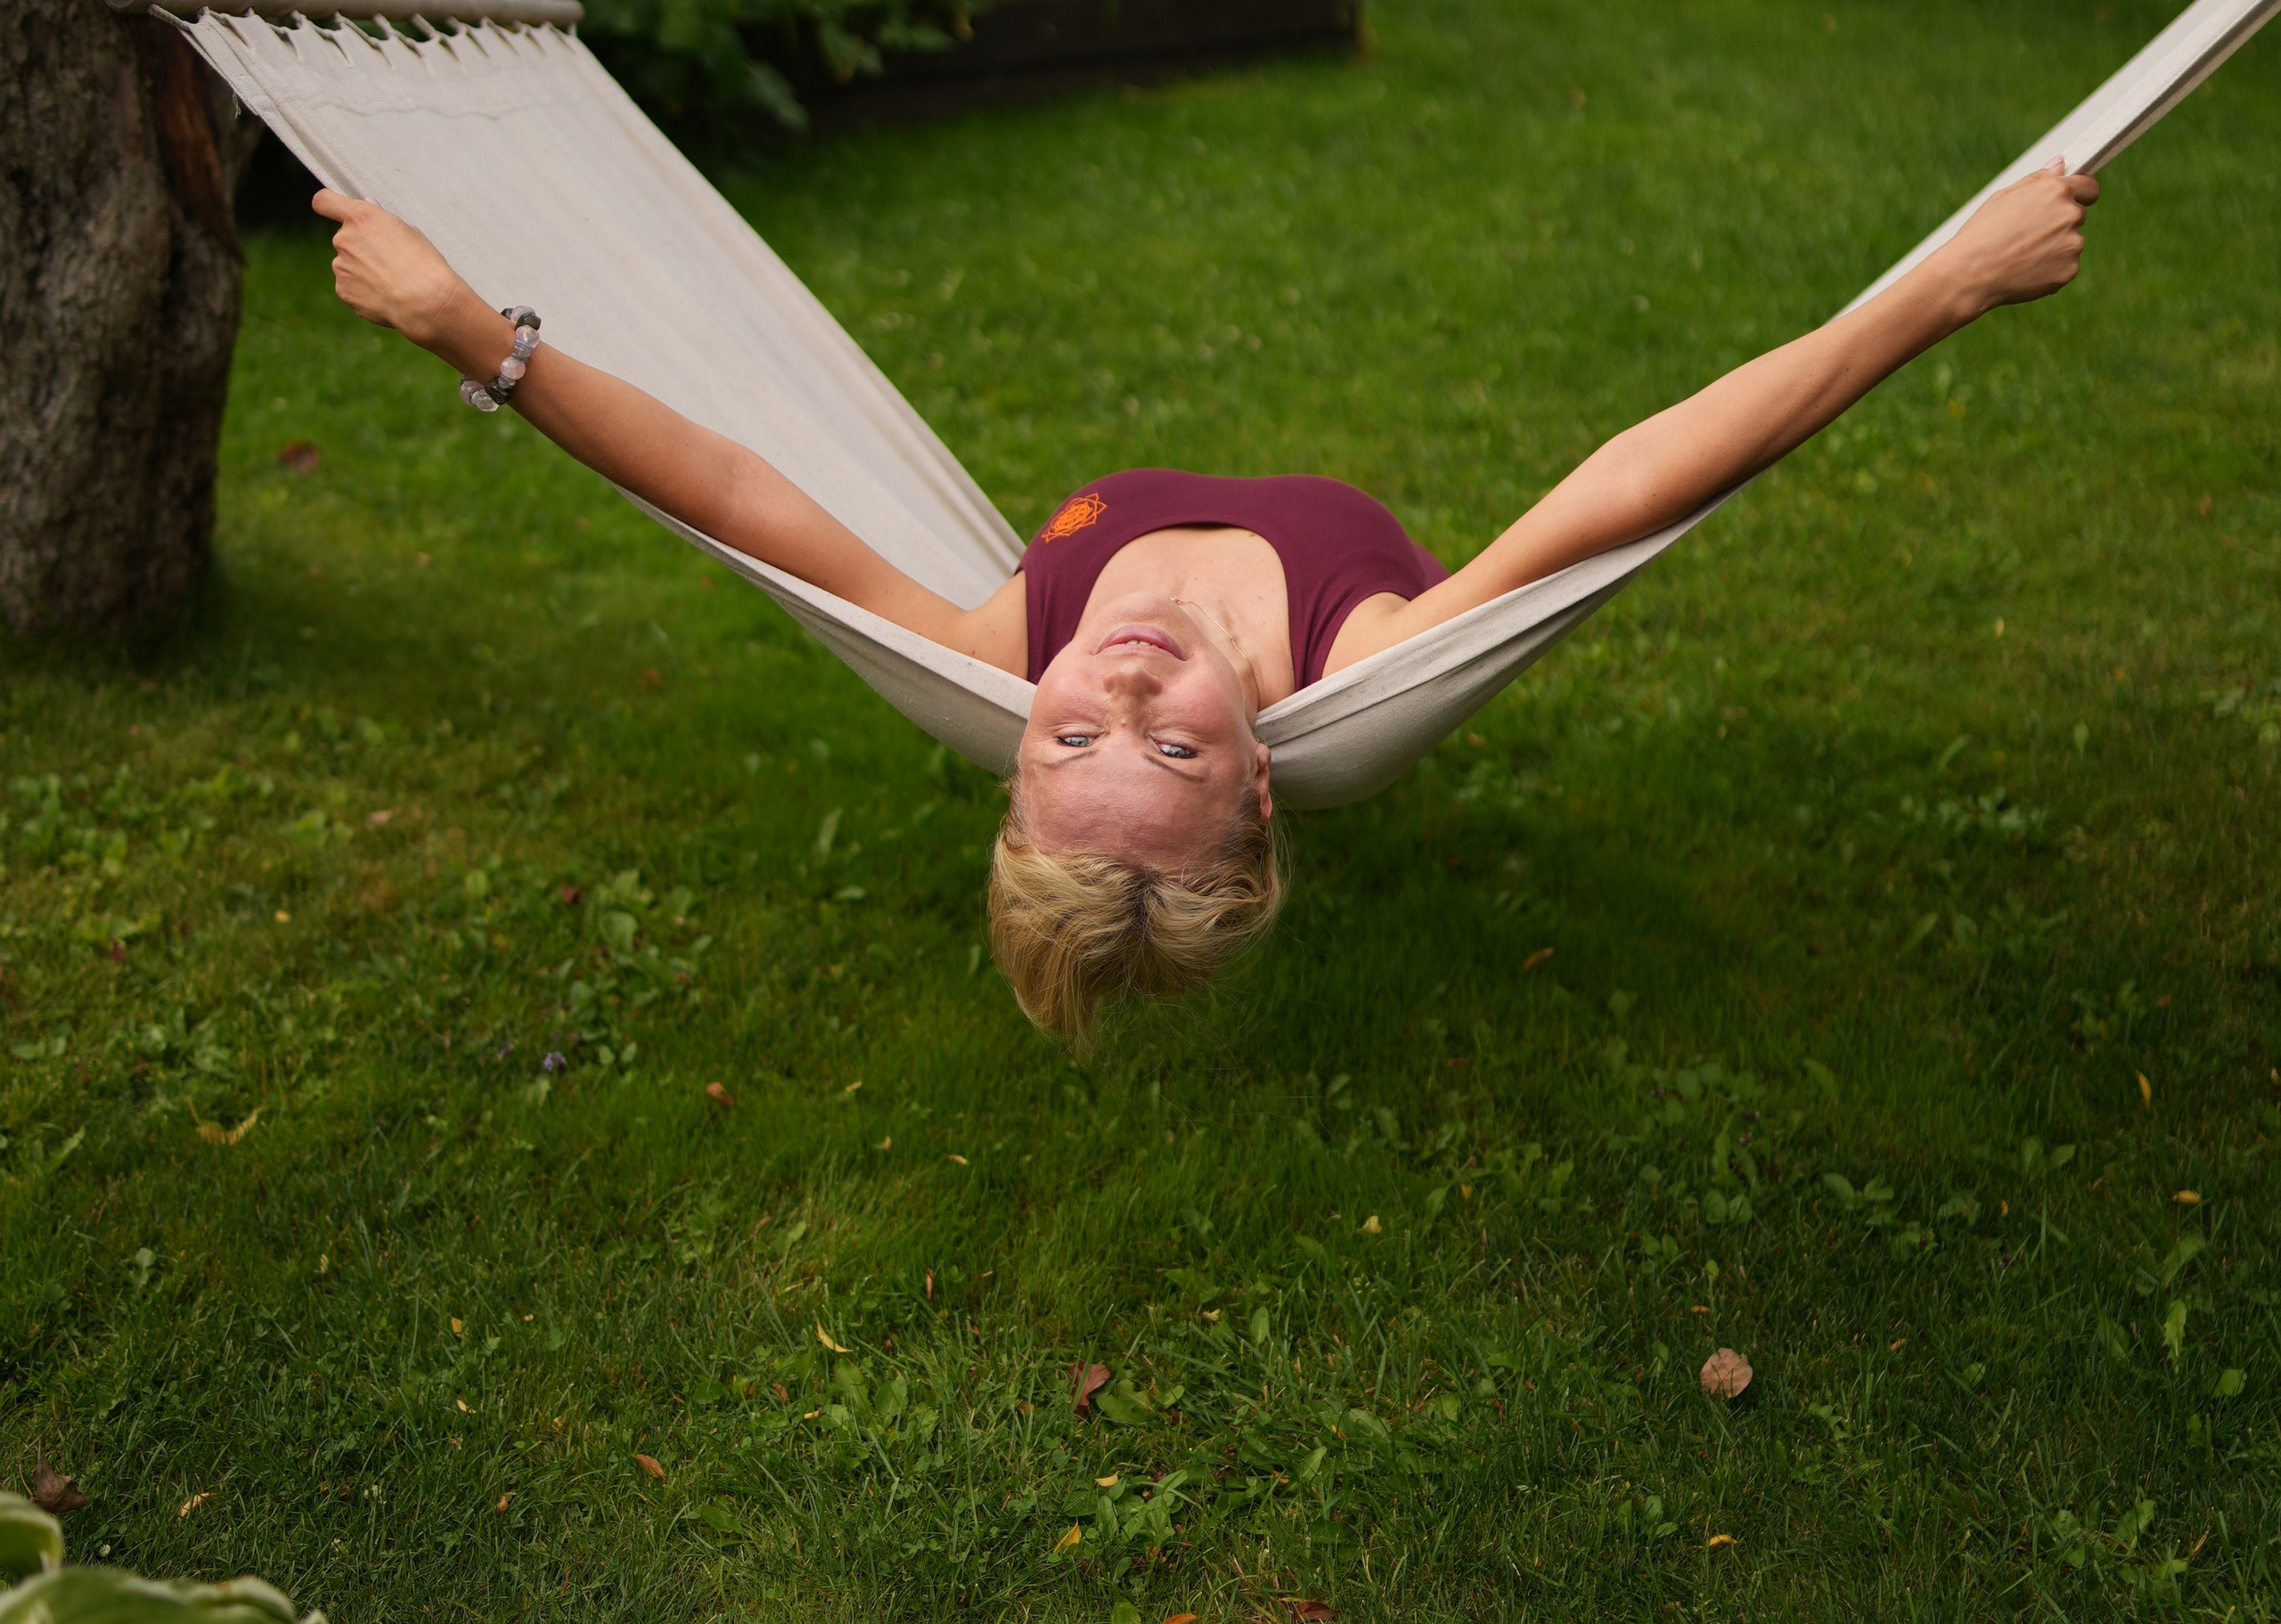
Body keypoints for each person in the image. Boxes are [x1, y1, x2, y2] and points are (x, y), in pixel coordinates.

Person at [314, 164, 2100, 1044]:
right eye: (1162, 742)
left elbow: (731, 496)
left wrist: (476, 333)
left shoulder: (1003, 649)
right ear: (1258, 781)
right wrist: (1937, 288)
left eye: (1071, 735)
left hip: (501, 336)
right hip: (1338, 600)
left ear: (1011, 748)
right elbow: (1637, 479)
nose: (1122, 677)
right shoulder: (1361, 665)